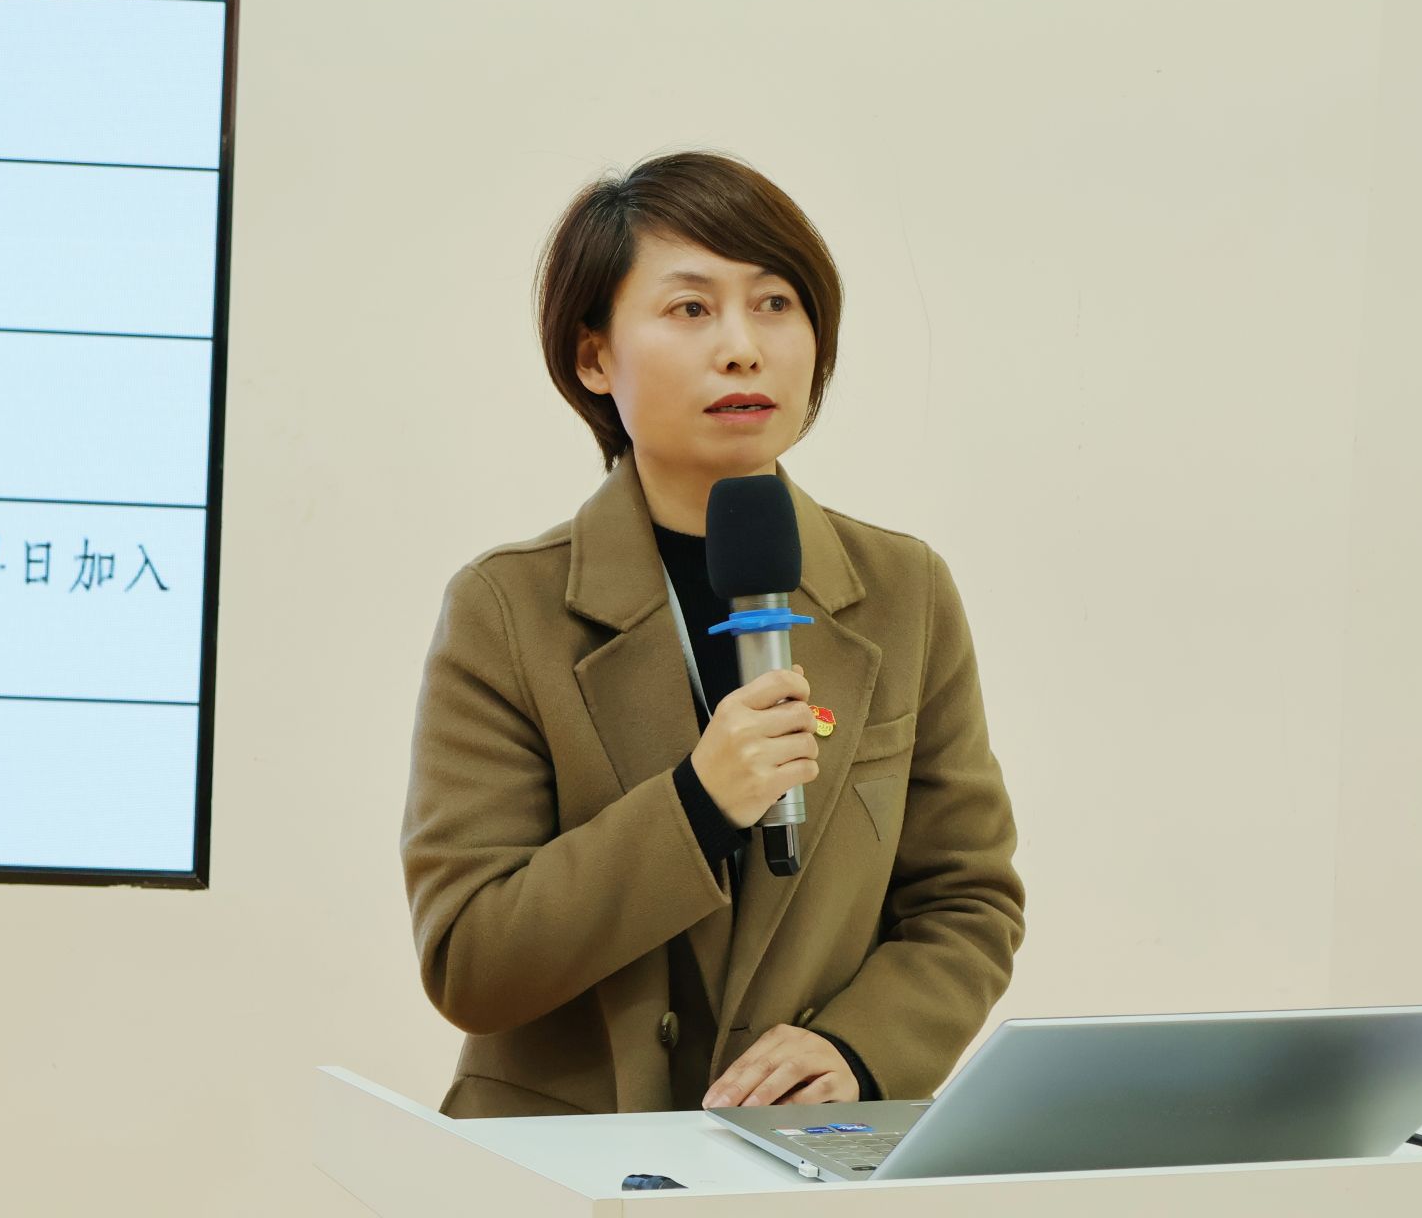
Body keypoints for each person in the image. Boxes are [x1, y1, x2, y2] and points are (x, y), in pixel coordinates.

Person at [400, 150, 1025, 1118]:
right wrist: (697, 804)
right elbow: (469, 959)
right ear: (593, 357)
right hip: (557, 1162)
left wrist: (858, 1050)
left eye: (774, 303)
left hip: (800, 1156)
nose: (741, 347)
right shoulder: (507, 607)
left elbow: (965, 901)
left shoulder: (904, 592)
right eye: (690, 308)